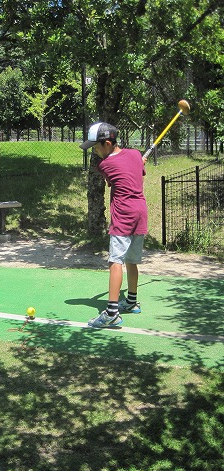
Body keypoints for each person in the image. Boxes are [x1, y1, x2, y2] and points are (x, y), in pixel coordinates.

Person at [80, 122, 148, 328]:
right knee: (131, 260)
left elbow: (117, 174)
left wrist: (139, 163)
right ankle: (132, 301)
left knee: (115, 261)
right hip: (140, 213)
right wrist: (140, 162)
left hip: (124, 214)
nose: (94, 151)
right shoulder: (136, 154)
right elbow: (135, 171)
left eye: (96, 147)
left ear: (108, 143)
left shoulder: (104, 165)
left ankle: (111, 313)